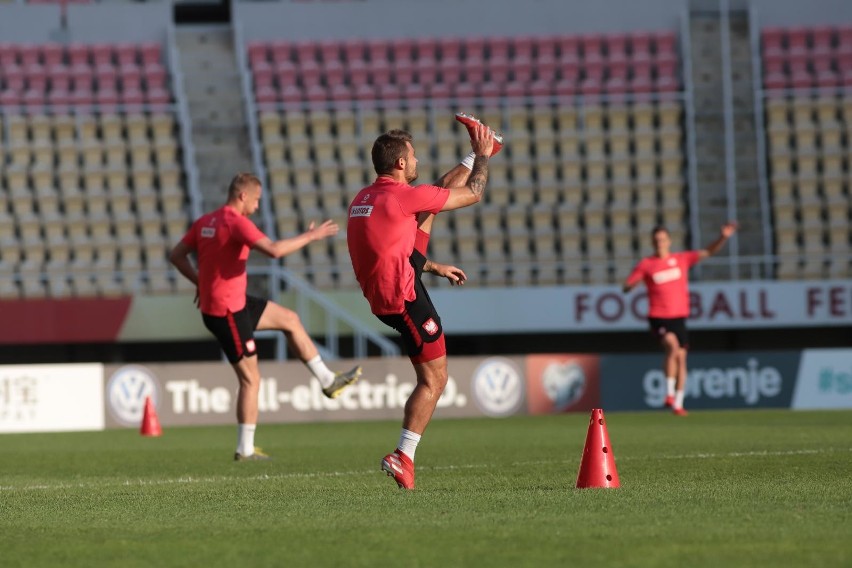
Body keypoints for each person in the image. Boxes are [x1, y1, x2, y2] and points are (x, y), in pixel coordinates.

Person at [346, 113, 503, 489]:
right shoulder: (404, 197)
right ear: (400, 163)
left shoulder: (364, 198)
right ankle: (403, 456)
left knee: (430, 203)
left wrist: (432, 266)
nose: (416, 161)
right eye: (413, 156)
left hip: (385, 289)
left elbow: (388, 247)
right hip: (403, 298)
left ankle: (404, 458)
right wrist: (482, 157)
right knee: (435, 379)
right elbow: (474, 193)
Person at [169, 173, 361, 461]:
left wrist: (199, 282)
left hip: (234, 302)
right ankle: (244, 449)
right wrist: (311, 236)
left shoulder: (206, 221)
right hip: (226, 312)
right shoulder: (236, 223)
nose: (258, 207)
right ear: (243, 196)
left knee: (290, 320)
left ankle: (327, 381)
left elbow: (177, 255)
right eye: (256, 200)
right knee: (251, 380)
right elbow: (273, 251)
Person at [622, 222, 738, 416]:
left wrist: (723, 237)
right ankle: (668, 393)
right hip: (658, 316)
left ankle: (678, 403)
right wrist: (630, 286)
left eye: (662, 239)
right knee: (672, 346)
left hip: (679, 316)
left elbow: (707, 252)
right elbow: (627, 285)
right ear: (652, 242)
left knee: (682, 359)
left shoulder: (681, 259)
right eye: (656, 240)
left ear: (669, 241)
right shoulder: (647, 264)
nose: (659, 243)